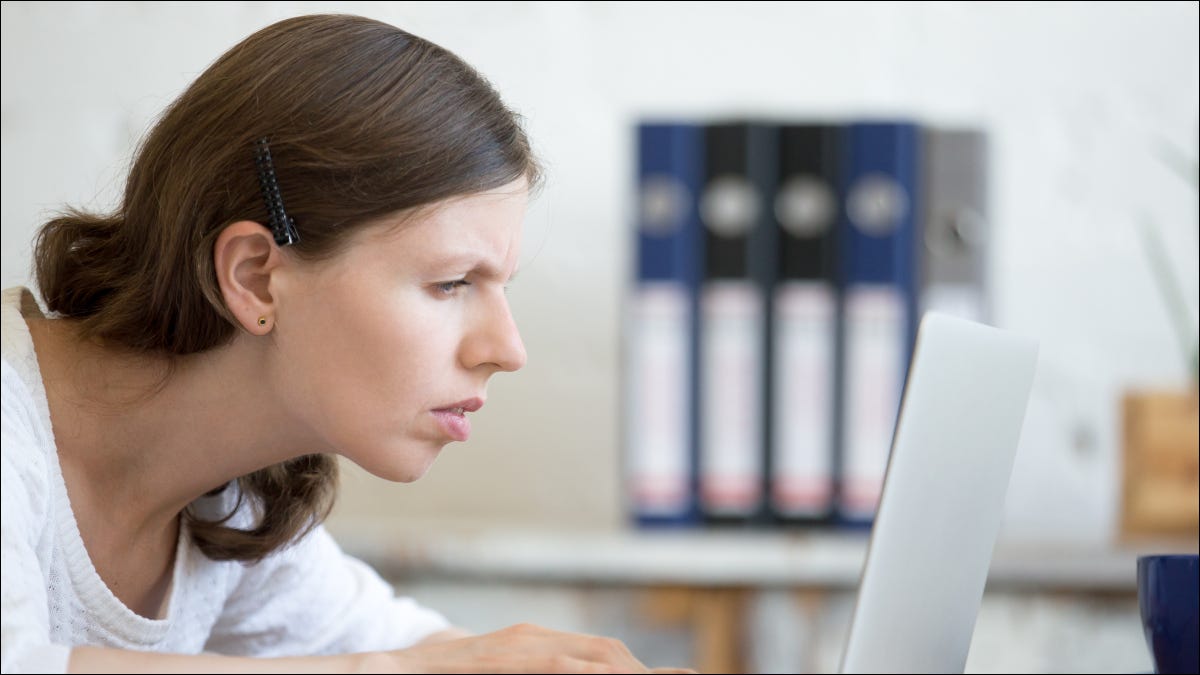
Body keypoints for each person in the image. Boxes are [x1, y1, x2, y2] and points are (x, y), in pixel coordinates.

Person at [0, 13, 693, 675]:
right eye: (451, 282)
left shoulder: (227, 501)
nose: (507, 349)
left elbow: (410, 646)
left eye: (500, 287)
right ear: (255, 277)